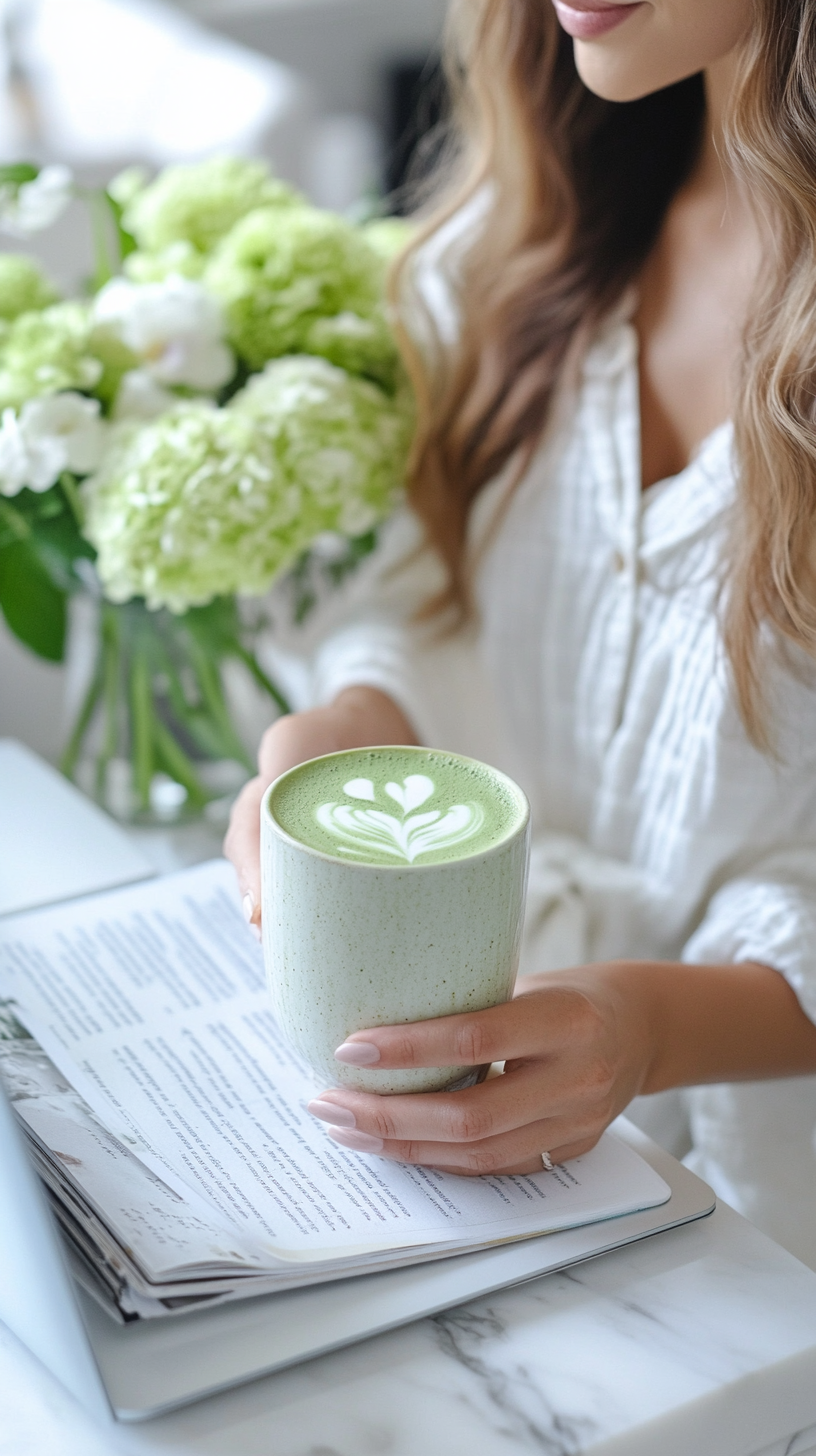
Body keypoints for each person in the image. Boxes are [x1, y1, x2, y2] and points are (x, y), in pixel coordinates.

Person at [226, 0, 816, 1265]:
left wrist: (655, 1027)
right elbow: (428, 597)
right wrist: (354, 718)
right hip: (460, 1200)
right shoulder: (523, 234)